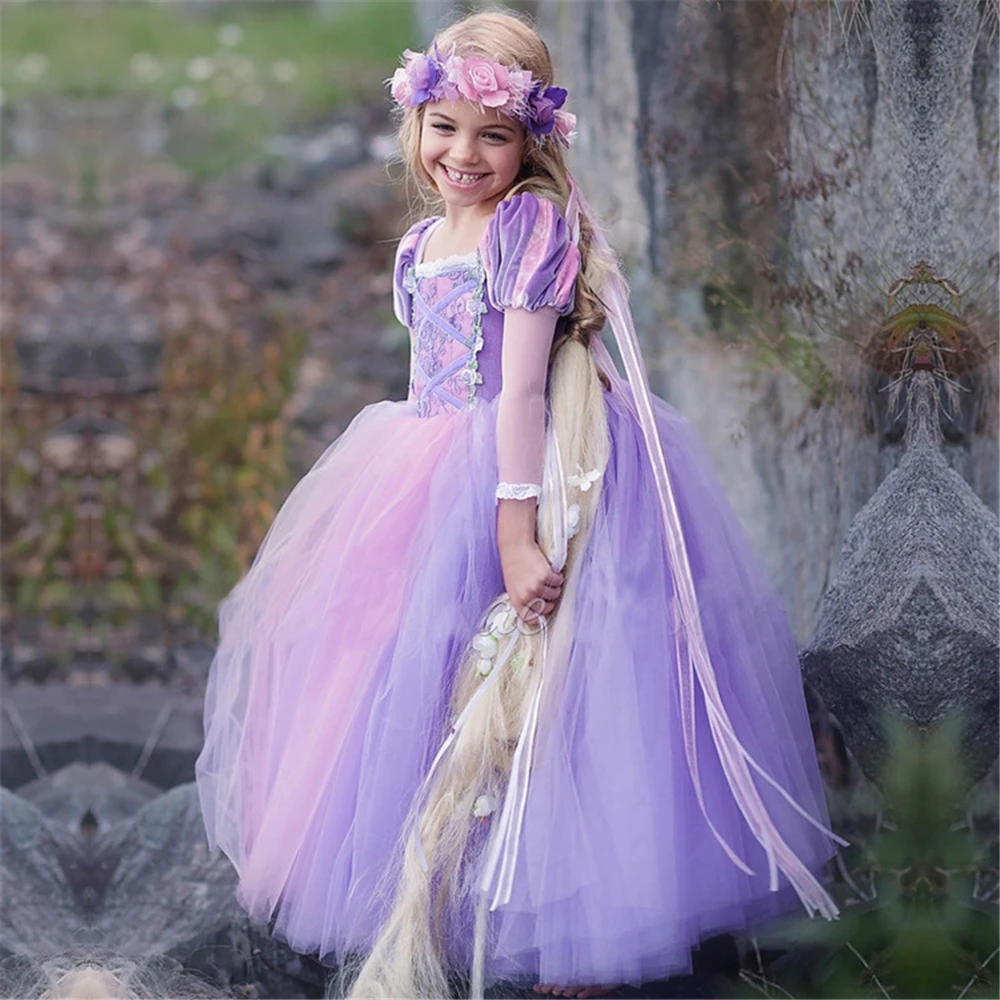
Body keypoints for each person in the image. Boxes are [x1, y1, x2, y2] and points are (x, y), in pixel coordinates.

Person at [195, 10, 847, 1000]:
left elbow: (525, 393)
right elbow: (434, 381)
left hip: (534, 469)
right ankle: (449, 893)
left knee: (562, 680)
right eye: (444, 128)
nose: (463, 154)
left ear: (530, 138)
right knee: (423, 671)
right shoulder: (424, 241)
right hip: (424, 463)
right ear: (415, 123)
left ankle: (578, 926)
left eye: (492, 134)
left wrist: (514, 528)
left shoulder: (528, 227)